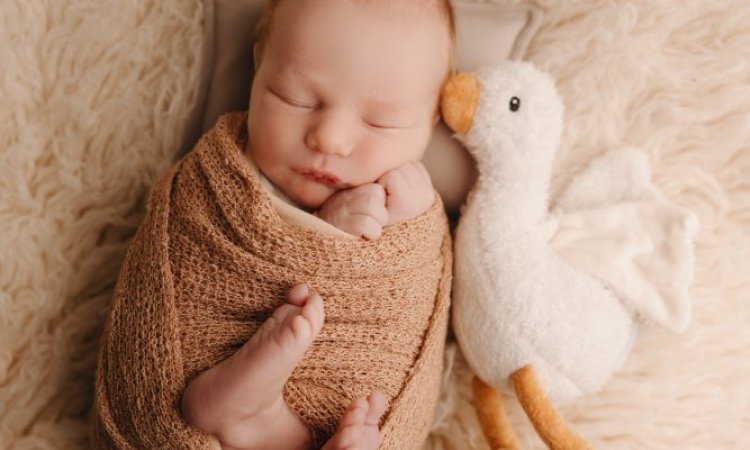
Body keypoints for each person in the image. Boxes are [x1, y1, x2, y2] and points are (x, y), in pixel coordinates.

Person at [92, 1, 455, 449]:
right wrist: (329, 231)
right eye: (296, 98)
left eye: (380, 121)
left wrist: (402, 218)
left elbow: (402, 314)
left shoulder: (415, 212)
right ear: (258, 67)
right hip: (200, 378)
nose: (330, 138)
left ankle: (252, 417)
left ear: (431, 119)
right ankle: (243, 412)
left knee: (367, 425)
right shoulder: (222, 180)